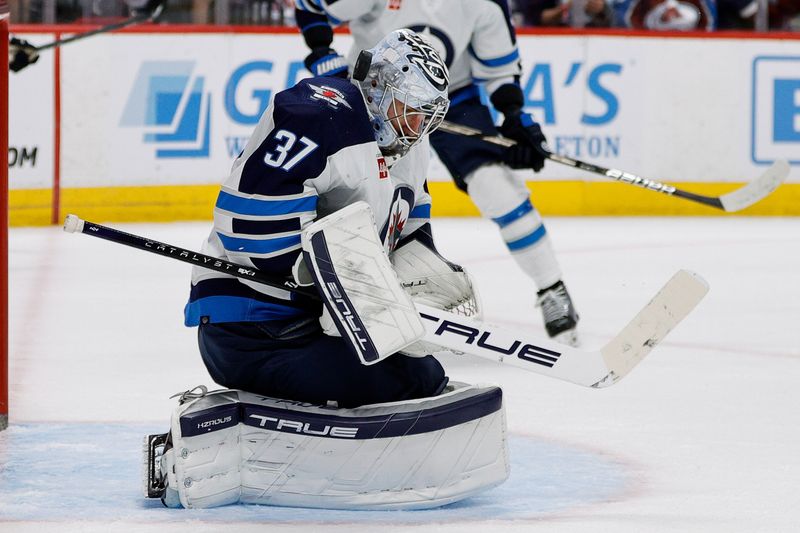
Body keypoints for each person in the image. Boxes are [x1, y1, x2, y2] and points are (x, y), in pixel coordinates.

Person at [184, 28, 457, 408]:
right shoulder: (319, 116)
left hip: (313, 325)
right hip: (252, 326)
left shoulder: (409, 146)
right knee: (409, 381)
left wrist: (423, 268)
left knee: (423, 374)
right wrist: (333, 288)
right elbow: (246, 227)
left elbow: (409, 221)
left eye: (425, 116)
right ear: (377, 84)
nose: (416, 127)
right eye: (409, 108)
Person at [294, 0, 580, 346]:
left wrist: (514, 115)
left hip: (450, 98)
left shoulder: (485, 4)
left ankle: (551, 287)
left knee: (496, 186)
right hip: (378, 95)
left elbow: (499, 69)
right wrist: (323, 50)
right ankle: (341, 291)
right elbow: (311, 5)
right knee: (359, 196)